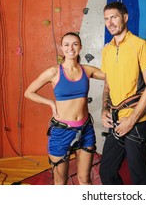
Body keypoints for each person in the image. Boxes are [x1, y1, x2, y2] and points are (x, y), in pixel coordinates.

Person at [24, 32, 105, 185]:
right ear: (61, 48)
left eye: (75, 44)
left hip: (86, 130)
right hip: (61, 132)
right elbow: (28, 93)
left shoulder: (87, 70)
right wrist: (51, 103)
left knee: (84, 179)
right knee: (60, 183)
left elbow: (113, 76)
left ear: (80, 47)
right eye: (66, 44)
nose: (71, 48)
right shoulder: (53, 72)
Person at [99, 1, 146, 185]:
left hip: (138, 122)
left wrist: (131, 120)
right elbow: (107, 85)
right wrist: (104, 109)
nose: (110, 22)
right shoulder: (106, 50)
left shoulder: (140, 45)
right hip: (116, 120)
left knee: (140, 178)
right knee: (106, 172)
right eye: (106, 19)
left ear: (125, 18)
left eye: (114, 17)